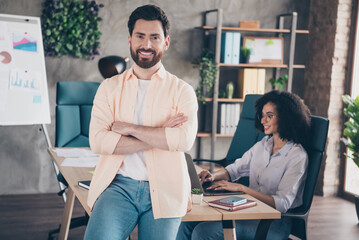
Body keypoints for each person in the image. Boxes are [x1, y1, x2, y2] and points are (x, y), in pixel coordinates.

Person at [84, 4, 198, 240]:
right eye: (140, 36)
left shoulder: (182, 91)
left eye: (154, 37)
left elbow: (183, 140)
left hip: (167, 189)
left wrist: (131, 130)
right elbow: (98, 142)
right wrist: (160, 134)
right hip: (118, 187)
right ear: (130, 40)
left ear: (166, 42)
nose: (146, 45)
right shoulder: (109, 88)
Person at [177, 90, 311, 240]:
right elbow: (235, 169)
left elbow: (283, 204)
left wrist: (241, 188)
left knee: (202, 232)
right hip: (248, 210)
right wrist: (212, 175)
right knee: (185, 223)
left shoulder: (297, 156)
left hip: (273, 222)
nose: (263, 120)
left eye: (270, 116)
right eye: (262, 115)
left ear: (286, 118)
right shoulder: (263, 145)